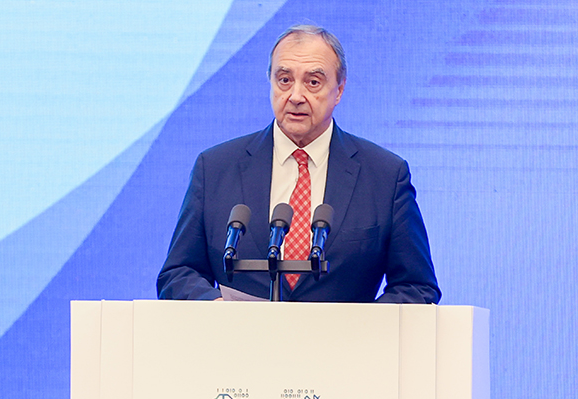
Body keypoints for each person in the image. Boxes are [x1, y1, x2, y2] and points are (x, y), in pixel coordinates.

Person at [157, 25, 441, 303]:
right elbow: (178, 274)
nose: (295, 96)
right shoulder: (215, 168)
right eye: (284, 80)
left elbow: (417, 287)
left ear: (339, 90)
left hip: (343, 336)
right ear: (270, 82)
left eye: (313, 82)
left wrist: (360, 326)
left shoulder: (384, 176)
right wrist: (217, 309)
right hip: (239, 334)